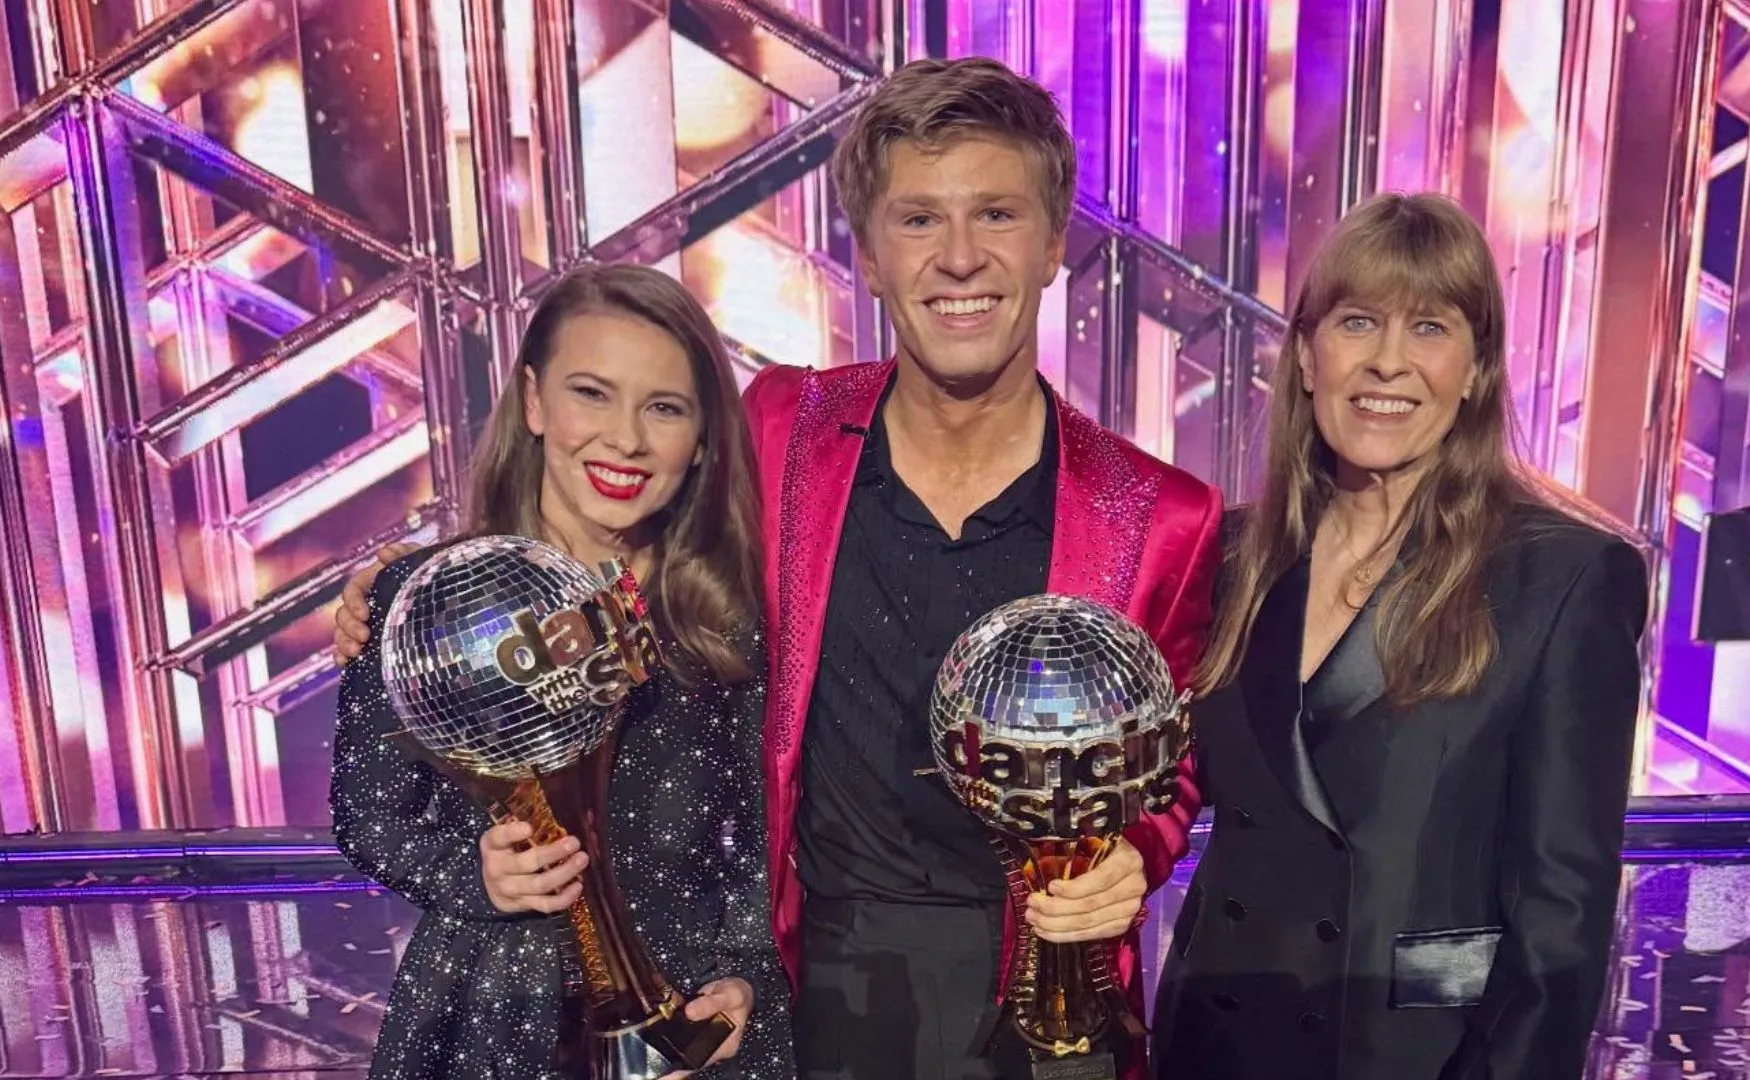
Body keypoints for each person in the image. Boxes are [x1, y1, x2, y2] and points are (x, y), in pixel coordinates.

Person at [337, 57, 1221, 1080]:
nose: (961, 257)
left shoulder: (1164, 512)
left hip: (1048, 983)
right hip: (824, 974)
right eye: (919, 219)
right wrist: (418, 580)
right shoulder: (785, 428)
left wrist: (1136, 856)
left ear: (1055, 243)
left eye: (998, 215)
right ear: (871, 258)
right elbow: (622, 513)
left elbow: (1171, 759)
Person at [1150, 193, 1649, 1080]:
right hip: (1219, 1043)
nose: (1387, 362)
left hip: (1420, 1056)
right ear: (1307, 357)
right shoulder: (1228, 555)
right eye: (1357, 323)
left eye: (1429, 328)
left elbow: (1561, 917)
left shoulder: (1563, 577)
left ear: (1475, 371)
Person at [330, 265, 792, 1079]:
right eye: (592, 393)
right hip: (490, 1014)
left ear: (703, 439)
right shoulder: (422, 602)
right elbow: (368, 816)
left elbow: (762, 843)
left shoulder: (728, 620)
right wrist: (476, 876)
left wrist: (745, 979)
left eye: (664, 407)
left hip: (687, 1020)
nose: (625, 439)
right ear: (535, 402)